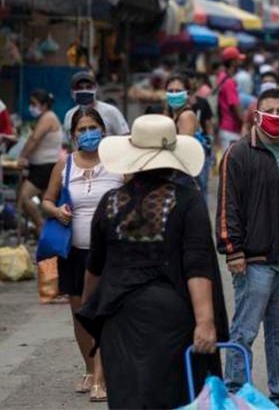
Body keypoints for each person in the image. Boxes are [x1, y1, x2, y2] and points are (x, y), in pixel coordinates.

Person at [75, 114, 227, 409]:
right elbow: (197, 264)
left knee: (128, 398)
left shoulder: (109, 202)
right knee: (173, 398)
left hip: (118, 319)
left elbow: (94, 268)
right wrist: (206, 322)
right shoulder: (188, 200)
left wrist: (90, 311)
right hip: (172, 318)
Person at [217, 88, 279, 409]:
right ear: (256, 114)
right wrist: (233, 249)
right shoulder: (239, 153)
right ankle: (236, 393)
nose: (274, 115)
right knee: (244, 330)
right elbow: (228, 205)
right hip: (254, 259)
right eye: (268, 109)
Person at [41, 108, 124, 403]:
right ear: (73, 134)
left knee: (104, 314)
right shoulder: (64, 165)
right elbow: (47, 200)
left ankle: (101, 378)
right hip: (74, 252)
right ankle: (90, 368)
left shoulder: (117, 163)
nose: (88, 133)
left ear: (103, 130)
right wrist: (56, 211)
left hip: (110, 253)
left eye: (93, 127)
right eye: (82, 128)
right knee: (80, 314)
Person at [17, 90, 62, 236]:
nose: (31, 107)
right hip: (41, 166)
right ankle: (47, 230)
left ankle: (41, 227)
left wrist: (22, 157)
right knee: (47, 201)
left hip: (45, 166)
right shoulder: (45, 117)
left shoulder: (48, 118)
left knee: (25, 197)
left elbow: (34, 139)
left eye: (34, 104)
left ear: (44, 105)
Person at [164, 74, 212, 193]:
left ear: (187, 94)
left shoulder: (186, 116)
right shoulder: (173, 114)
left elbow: (183, 149)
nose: (174, 94)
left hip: (186, 173)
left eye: (178, 91)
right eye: (171, 91)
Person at [64, 71, 129, 139]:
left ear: (96, 89)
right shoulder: (70, 115)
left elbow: (125, 137)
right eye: (79, 88)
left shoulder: (111, 111)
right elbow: (68, 142)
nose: (84, 90)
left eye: (89, 87)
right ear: (72, 92)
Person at [217, 47, 247, 153]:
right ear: (233, 61)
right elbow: (235, 106)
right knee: (232, 162)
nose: (240, 62)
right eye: (238, 59)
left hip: (224, 126)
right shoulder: (229, 82)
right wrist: (246, 123)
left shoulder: (221, 76)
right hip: (230, 128)